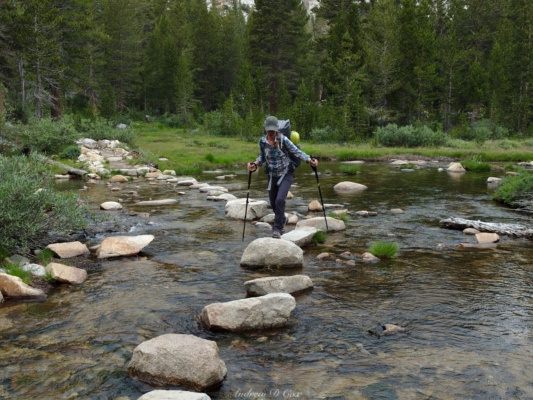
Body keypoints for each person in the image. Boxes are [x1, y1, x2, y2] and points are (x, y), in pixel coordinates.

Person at [248, 115, 318, 239]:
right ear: (265, 129)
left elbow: (297, 152)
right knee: (274, 203)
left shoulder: (283, 140)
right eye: (268, 130)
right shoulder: (262, 141)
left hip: (286, 173)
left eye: (272, 130)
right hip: (272, 175)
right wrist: (255, 163)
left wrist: (309, 160)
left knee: (280, 200)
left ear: (276, 130)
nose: (270, 132)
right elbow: (262, 157)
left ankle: (277, 229)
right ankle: (283, 219)